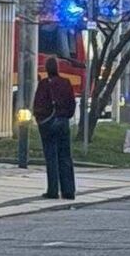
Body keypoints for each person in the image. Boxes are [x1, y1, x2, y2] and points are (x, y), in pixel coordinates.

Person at [32, 57, 77, 200]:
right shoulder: (66, 82)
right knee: (65, 156)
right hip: (63, 122)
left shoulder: (44, 84)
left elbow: (38, 104)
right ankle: (68, 191)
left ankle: (53, 190)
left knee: (51, 157)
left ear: (46, 69)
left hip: (48, 124)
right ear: (57, 68)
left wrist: (40, 120)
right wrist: (66, 116)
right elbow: (72, 103)